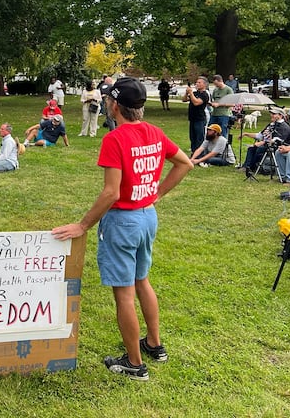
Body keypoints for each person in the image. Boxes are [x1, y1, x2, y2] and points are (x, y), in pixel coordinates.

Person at [52, 77, 193, 382]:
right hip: (146, 217)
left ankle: (134, 363)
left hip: (123, 221)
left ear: (114, 105)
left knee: (125, 295)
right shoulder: (154, 132)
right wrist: (156, 194)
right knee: (142, 280)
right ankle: (155, 344)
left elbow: (111, 193)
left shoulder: (114, 139)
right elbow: (184, 163)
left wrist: (83, 225)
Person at [239, 106, 290, 176]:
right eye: (271, 113)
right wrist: (246, 134)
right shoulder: (272, 124)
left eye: (274, 114)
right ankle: (246, 167)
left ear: (280, 115)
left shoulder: (284, 127)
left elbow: (278, 140)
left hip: (279, 147)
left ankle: (252, 168)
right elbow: (260, 135)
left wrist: (263, 142)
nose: (271, 115)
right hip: (268, 145)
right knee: (251, 148)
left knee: (259, 148)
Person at [184, 77, 210, 153]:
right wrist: (186, 93)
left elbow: (196, 102)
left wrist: (191, 93)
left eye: (199, 82)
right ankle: (193, 153)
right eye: (196, 82)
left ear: (204, 84)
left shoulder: (205, 94)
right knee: (193, 137)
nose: (197, 84)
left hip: (200, 119)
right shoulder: (195, 93)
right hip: (192, 118)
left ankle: (201, 155)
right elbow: (184, 99)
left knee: (199, 138)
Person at [208, 75, 233, 139]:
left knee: (223, 132)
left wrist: (219, 104)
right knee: (211, 130)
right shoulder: (215, 90)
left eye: (216, 84)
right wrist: (211, 104)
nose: (216, 85)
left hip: (223, 115)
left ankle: (223, 146)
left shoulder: (228, 90)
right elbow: (214, 100)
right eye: (214, 84)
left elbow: (232, 104)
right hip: (214, 114)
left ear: (220, 81)